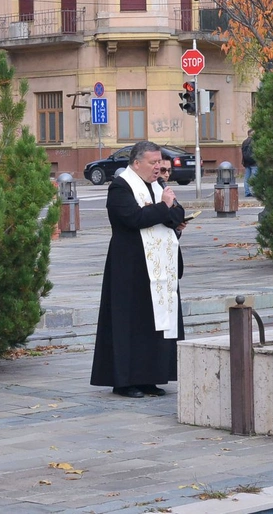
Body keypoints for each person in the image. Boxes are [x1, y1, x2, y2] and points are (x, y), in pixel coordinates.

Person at [90, 140, 185, 399]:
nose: (158, 167)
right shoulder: (120, 187)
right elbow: (133, 219)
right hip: (130, 266)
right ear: (137, 162)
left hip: (160, 267)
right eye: (153, 163)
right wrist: (163, 210)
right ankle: (125, 381)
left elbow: (179, 214)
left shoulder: (159, 186)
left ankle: (150, 378)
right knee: (130, 323)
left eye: (159, 163)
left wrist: (161, 211)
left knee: (154, 323)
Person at [241, 130, 257, 198]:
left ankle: (247, 192)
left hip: (246, 162)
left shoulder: (244, 142)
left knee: (246, 177)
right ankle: (254, 191)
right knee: (255, 177)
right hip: (254, 162)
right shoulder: (255, 142)